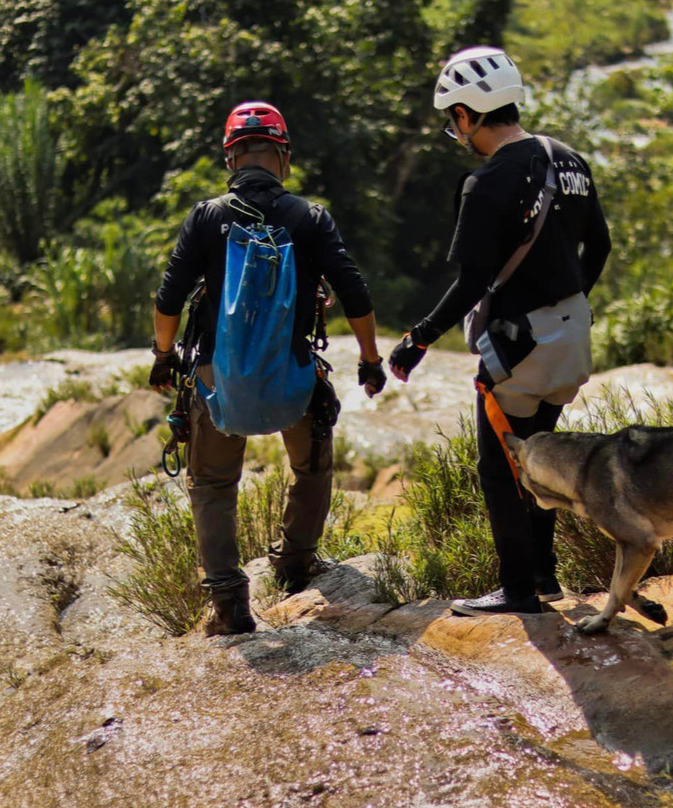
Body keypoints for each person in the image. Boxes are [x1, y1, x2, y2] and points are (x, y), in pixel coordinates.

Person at [389, 47, 611, 617]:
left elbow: (472, 283)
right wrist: (568, 300)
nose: (454, 130)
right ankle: (544, 577)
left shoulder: (486, 182)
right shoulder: (571, 160)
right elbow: (601, 246)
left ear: (466, 115)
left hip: (519, 346)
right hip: (571, 336)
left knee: (501, 468)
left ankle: (518, 593)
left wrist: (418, 338)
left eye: (452, 119)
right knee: (538, 458)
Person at [151, 101, 386, 635]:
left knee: (212, 482)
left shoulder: (206, 217)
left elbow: (169, 301)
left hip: (218, 376)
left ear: (231, 156)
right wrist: (370, 362)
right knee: (311, 468)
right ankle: (295, 564)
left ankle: (230, 600)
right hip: (294, 374)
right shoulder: (310, 218)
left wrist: (163, 359)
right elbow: (355, 293)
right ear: (283, 156)